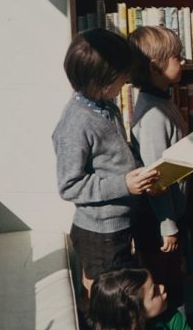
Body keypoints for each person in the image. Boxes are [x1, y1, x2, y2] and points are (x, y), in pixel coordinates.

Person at [53, 28, 159, 295]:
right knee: (111, 305)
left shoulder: (106, 106)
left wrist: (143, 177)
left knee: (125, 300)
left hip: (119, 225)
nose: (127, 79)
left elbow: (116, 156)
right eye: (122, 75)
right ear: (100, 82)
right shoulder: (76, 123)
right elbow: (69, 186)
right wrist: (124, 185)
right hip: (99, 235)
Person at [128, 25, 188, 311]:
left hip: (167, 215)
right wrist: (168, 225)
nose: (184, 61)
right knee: (166, 290)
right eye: (177, 57)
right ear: (155, 67)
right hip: (158, 223)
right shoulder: (152, 113)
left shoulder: (162, 100)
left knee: (174, 283)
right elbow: (156, 177)